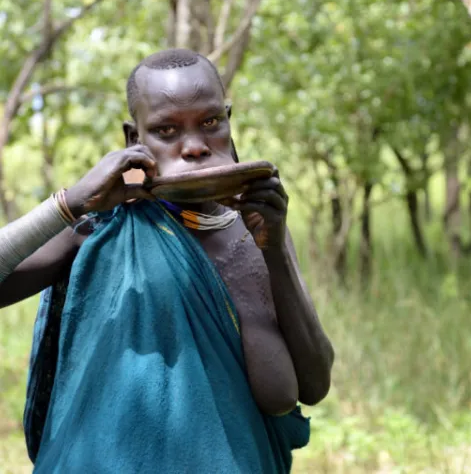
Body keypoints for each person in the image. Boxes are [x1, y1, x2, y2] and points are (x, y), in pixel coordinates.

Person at [0, 49, 334, 473]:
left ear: (229, 122)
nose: (194, 147)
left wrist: (275, 253)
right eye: (166, 130)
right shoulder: (102, 226)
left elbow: (312, 386)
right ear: (133, 139)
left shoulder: (260, 227)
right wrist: (69, 205)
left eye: (210, 122)